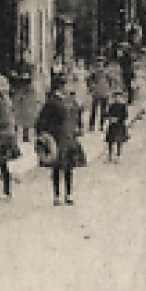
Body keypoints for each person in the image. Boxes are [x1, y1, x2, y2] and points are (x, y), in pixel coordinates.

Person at [35, 73, 86, 206]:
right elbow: (41, 121)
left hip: (70, 138)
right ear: (59, 87)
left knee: (69, 167)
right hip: (57, 138)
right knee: (57, 168)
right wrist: (43, 136)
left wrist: (79, 127)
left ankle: (69, 194)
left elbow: (77, 115)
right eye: (65, 85)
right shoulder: (52, 102)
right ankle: (57, 195)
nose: (67, 88)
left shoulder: (71, 101)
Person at [86, 61, 114, 131]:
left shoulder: (107, 73)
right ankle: (92, 125)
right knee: (94, 109)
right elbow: (89, 81)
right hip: (96, 93)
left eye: (101, 65)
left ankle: (102, 125)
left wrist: (109, 90)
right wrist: (91, 88)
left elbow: (111, 82)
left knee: (103, 110)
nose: (100, 67)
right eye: (98, 65)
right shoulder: (94, 73)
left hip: (104, 93)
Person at [103, 94, 130, 162]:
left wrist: (118, 119)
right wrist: (109, 118)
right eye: (115, 97)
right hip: (112, 125)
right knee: (110, 141)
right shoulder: (111, 106)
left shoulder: (123, 106)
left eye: (118, 97)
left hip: (120, 125)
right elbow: (108, 114)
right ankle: (110, 156)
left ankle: (118, 156)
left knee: (119, 141)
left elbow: (125, 116)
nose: (117, 99)